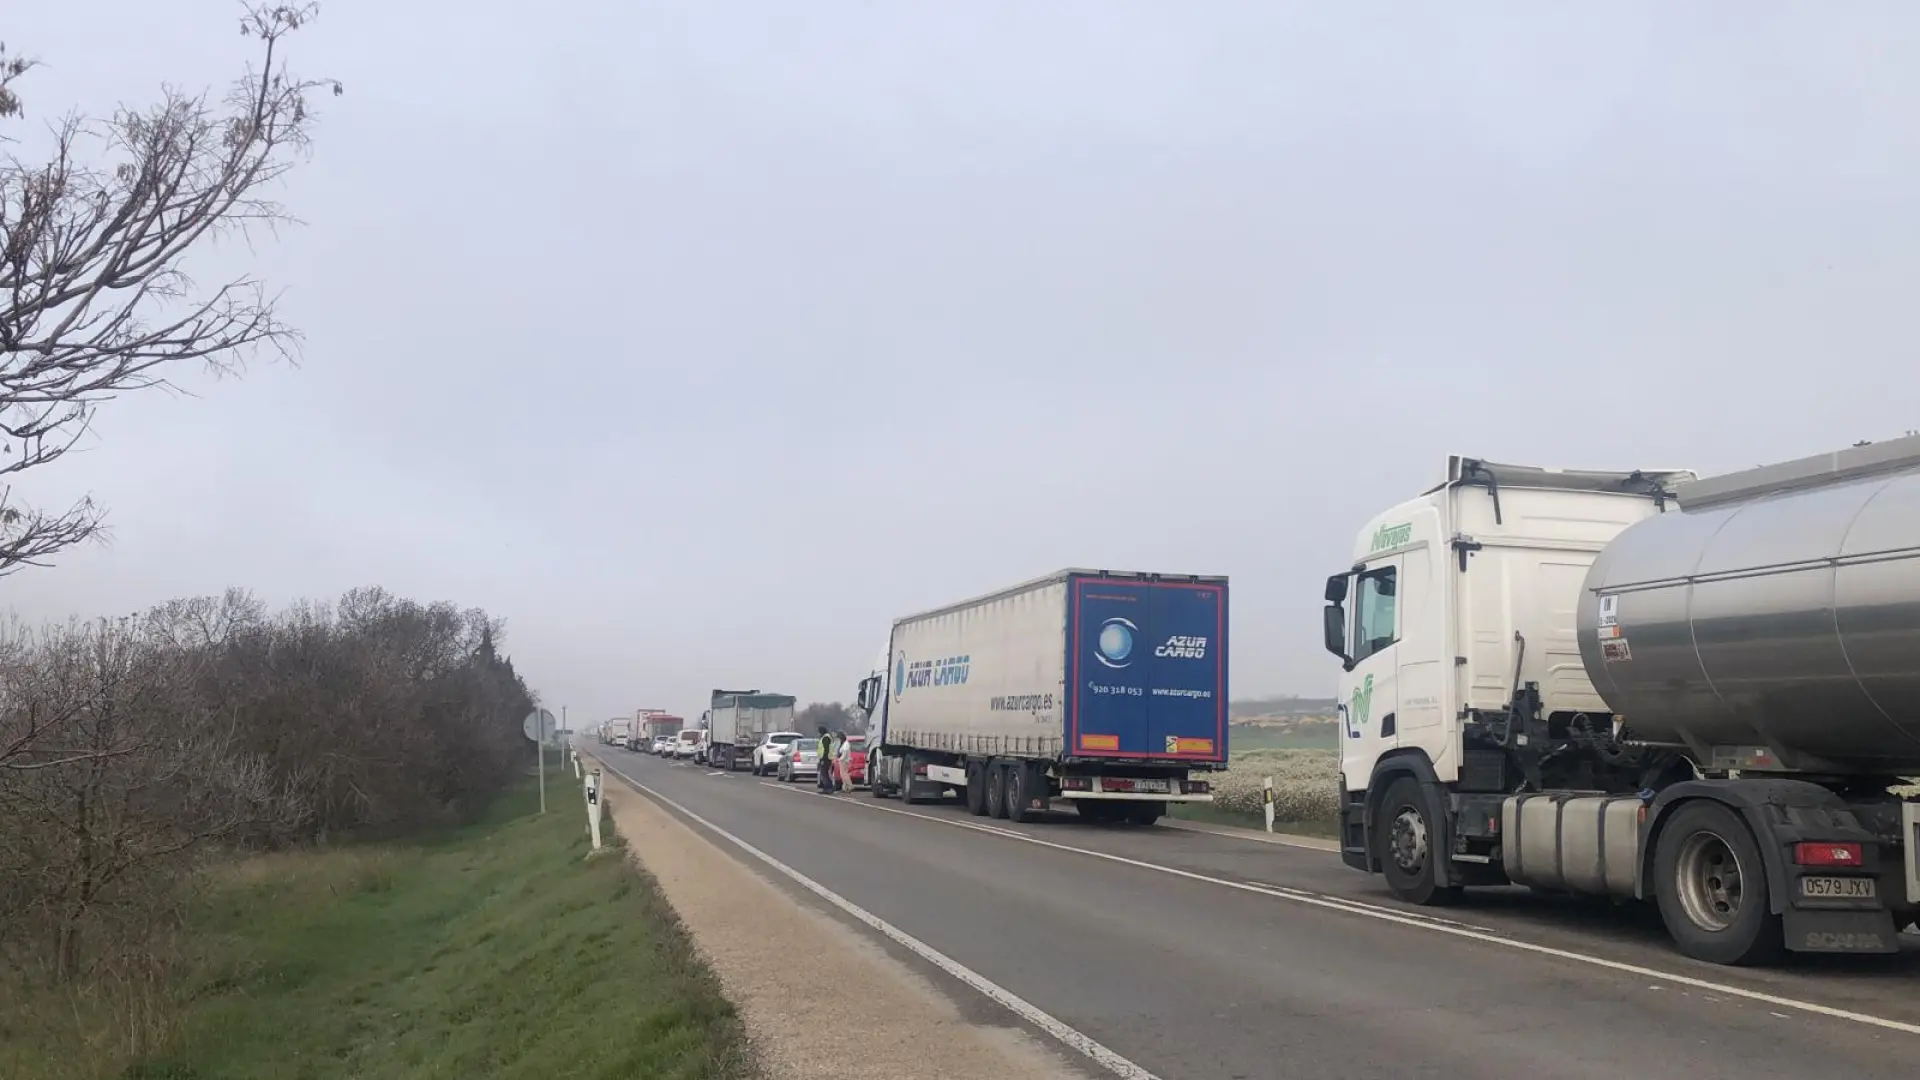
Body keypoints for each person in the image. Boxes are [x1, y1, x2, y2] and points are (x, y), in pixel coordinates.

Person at [816, 727, 838, 793]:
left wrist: (823, 759)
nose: (818, 734)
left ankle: (828, 788)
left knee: (824, 774)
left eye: (818, 732)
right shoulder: (825, 737)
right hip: (824, 758)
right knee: (824, 774)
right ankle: (828, 788)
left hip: (825, 758)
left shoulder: (826, 738)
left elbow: (826, 749)